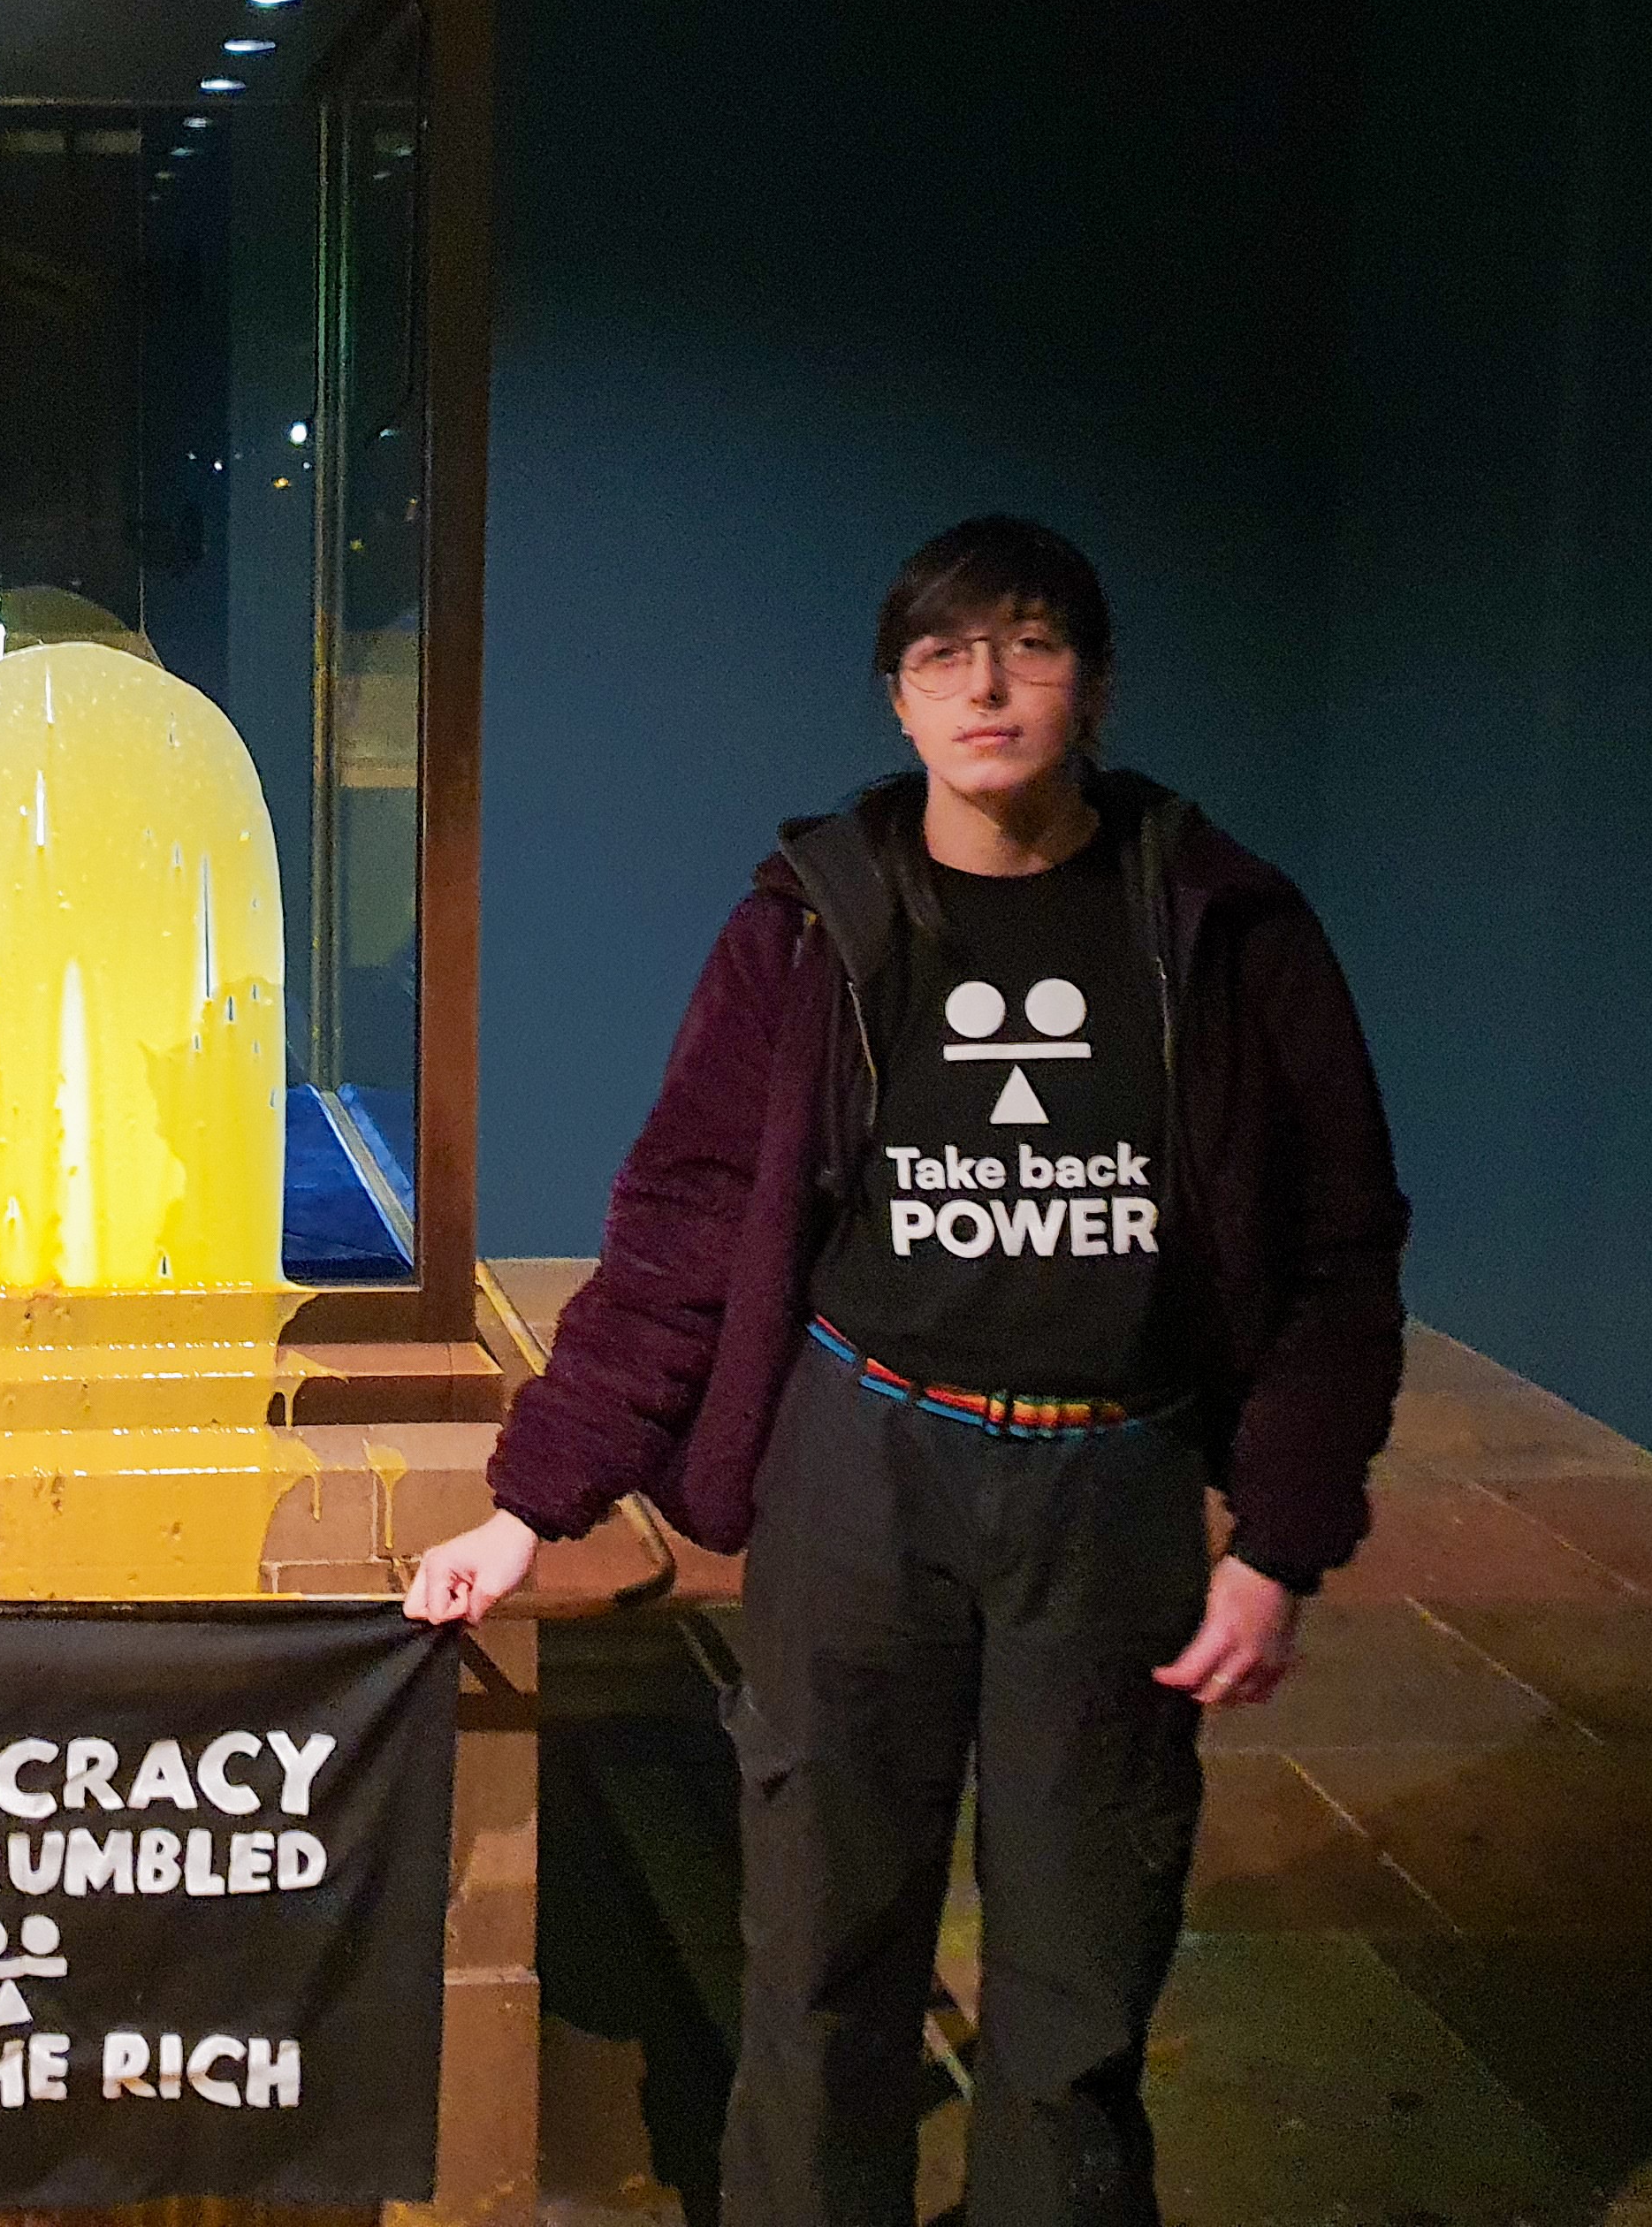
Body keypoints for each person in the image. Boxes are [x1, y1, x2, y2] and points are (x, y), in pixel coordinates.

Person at [407, 517, 1407, 2227]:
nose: (988, 688)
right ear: (897, 696)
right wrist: (533, 1503)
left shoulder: (1221, 926)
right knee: (817, 1956)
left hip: (1113, 1487)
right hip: (863, 1473)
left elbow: (1336, 1244)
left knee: (1082, 1974)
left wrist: (1280, 1542)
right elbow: (687, 1215)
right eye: (946, 656)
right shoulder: (816, 928)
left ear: (1096, 685)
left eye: (1031, 647)